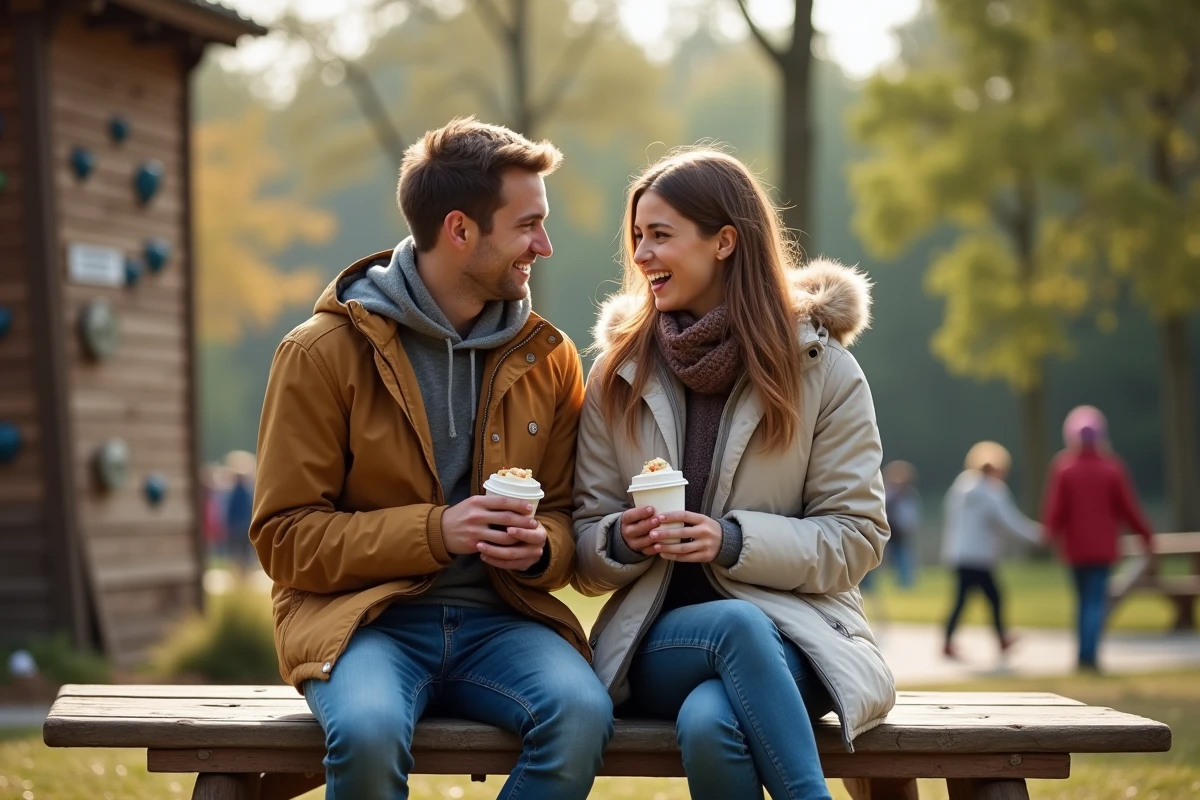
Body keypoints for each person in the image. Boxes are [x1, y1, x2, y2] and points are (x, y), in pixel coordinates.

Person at [250, 118, 612, 800]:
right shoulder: (319, 352)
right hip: (365, 622)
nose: (545, 245)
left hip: (504, 622)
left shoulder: (550, 357)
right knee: (366, 732)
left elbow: (569, 518)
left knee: (582, 716)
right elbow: (284, 537)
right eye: (528, 225)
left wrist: (540, 549)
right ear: (460, 230)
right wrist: (435, 531)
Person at [573, 148, 894, 800]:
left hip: (798, 635)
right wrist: (620, 540)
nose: (640, 256)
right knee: (733, 630)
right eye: (636, 237)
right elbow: (583, 538)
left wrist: (733, 542)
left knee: (710, 724)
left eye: (660, 236)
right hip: (662, 639)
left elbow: (858, 538)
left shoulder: (822, 369)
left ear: (724, 241)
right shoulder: (618, 374)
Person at [1042, 405, 1156, 672]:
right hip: (1103, 547)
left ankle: (1083, 654)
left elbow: (1056, 509)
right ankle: (1090, 655)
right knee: (1095, 600)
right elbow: (1129, 508)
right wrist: (1146, 536)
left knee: (1083, 600)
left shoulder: (1064, 468)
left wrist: (1048, 534)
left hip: (1075, 547)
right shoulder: (1112, 467)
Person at [940, 441, 1041, 660]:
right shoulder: (993, 491)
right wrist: (1038, 536)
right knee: (994, 597)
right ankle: (1000, 639)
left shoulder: (961, 486)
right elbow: (1010, 522)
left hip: (959, 554)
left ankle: (949, 641)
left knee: (962, 599)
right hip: (980, 556)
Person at [883, 459, 921, 590]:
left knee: (903, 558)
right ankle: (867, 585)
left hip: (901, 533)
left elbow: (910, 515)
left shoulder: (909, 494)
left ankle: (905, 585)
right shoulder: (887, 492)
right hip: (887, 531)